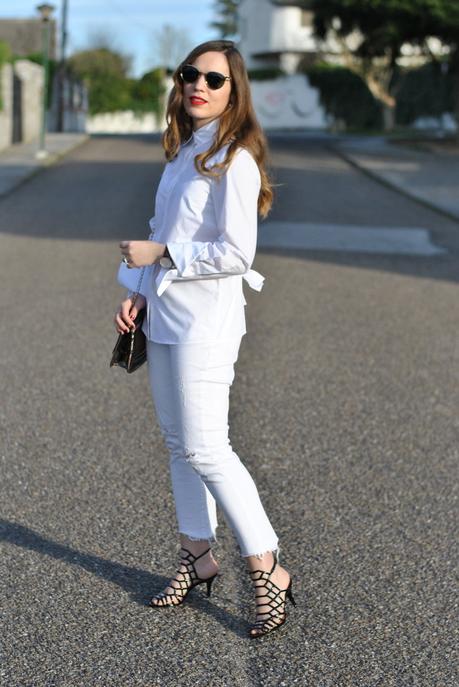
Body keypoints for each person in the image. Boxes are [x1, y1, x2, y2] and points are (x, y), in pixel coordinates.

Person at [114, 40, 296, 638]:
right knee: (177, 444)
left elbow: (238, 253)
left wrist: (164, 253)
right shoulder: (182, 152)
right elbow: (159, 229)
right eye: (190, 74)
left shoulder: (234, 158)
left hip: (207, 323)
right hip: (164, 314)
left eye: (214, 79)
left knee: (207, 447)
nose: (199, 85)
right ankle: (198, 556)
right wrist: (139, 288)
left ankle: (267, 565)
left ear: (233, 90)